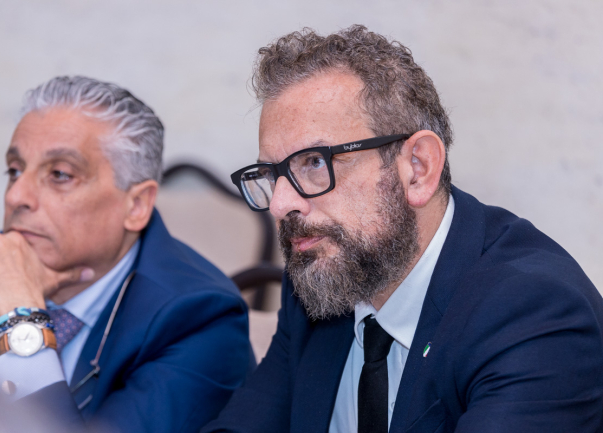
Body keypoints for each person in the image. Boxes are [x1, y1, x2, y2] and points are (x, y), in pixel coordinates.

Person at [203, 25, 603, 433]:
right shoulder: (320, 276)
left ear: (418, 169)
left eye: (315, 162)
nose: (280, 204)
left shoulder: (532, 314)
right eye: (272, 174)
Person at [0, 76, 253, 432]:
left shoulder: (200, 322)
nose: (16, 196)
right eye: (15, 171)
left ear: (136, 205)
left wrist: (19, 320)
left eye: (60, 174)